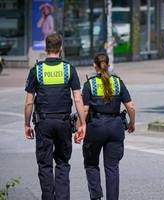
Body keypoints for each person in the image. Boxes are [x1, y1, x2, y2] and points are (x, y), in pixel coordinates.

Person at [24, 33, 86, 200]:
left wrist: (27, 124)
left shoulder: (36, 70)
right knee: (63, 163)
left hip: (43, 123)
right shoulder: (68, 69)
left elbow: (29, 102)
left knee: (44, 165)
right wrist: (83, 124)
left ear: (46, 49)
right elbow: (78, 98)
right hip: (64, 122)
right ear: (61, 49)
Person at [79, 53, 135, 200]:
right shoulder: (117, 82)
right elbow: (130, 106)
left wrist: (81, 127)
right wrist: (132, 123)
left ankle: (96, 197)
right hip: (115, 127)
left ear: (94, 66)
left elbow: (84, 110)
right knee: (112, 168)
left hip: (95, 127)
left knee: (91, 163)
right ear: (108, 64)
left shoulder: (89, 84)